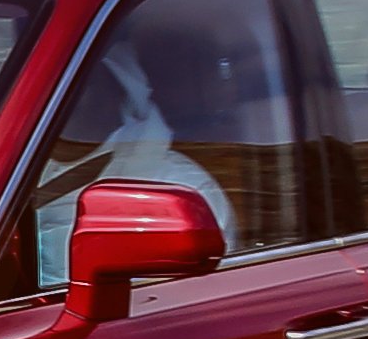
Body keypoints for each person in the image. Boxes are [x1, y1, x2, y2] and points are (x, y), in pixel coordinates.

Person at [29, 47, 237, 285]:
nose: (53, 101)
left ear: (118, 96)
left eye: (78, 87)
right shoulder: (9, 172)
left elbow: (189, 297)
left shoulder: (183, 185)